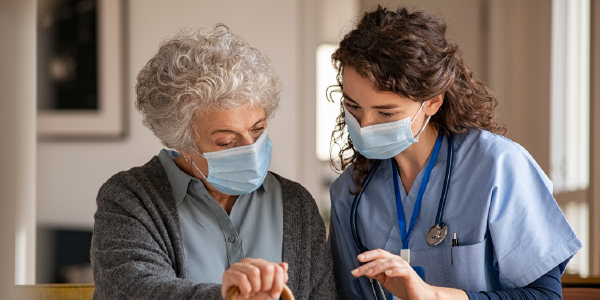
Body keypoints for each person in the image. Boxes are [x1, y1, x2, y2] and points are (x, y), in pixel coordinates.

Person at [327, 6, 582, 300]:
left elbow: (546, 296)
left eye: (386, 112)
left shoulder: (497, 167)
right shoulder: (351, 192)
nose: (365, 125)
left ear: (433, 102)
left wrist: (432, 296)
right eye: (353, 106)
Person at [91, 25, 337, 300]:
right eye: (226, 141)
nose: (251, 149)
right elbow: (135, 289)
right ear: (181, 143)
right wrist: (229, 295)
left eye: (257, 130)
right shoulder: (129, 199)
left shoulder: (296, 204)